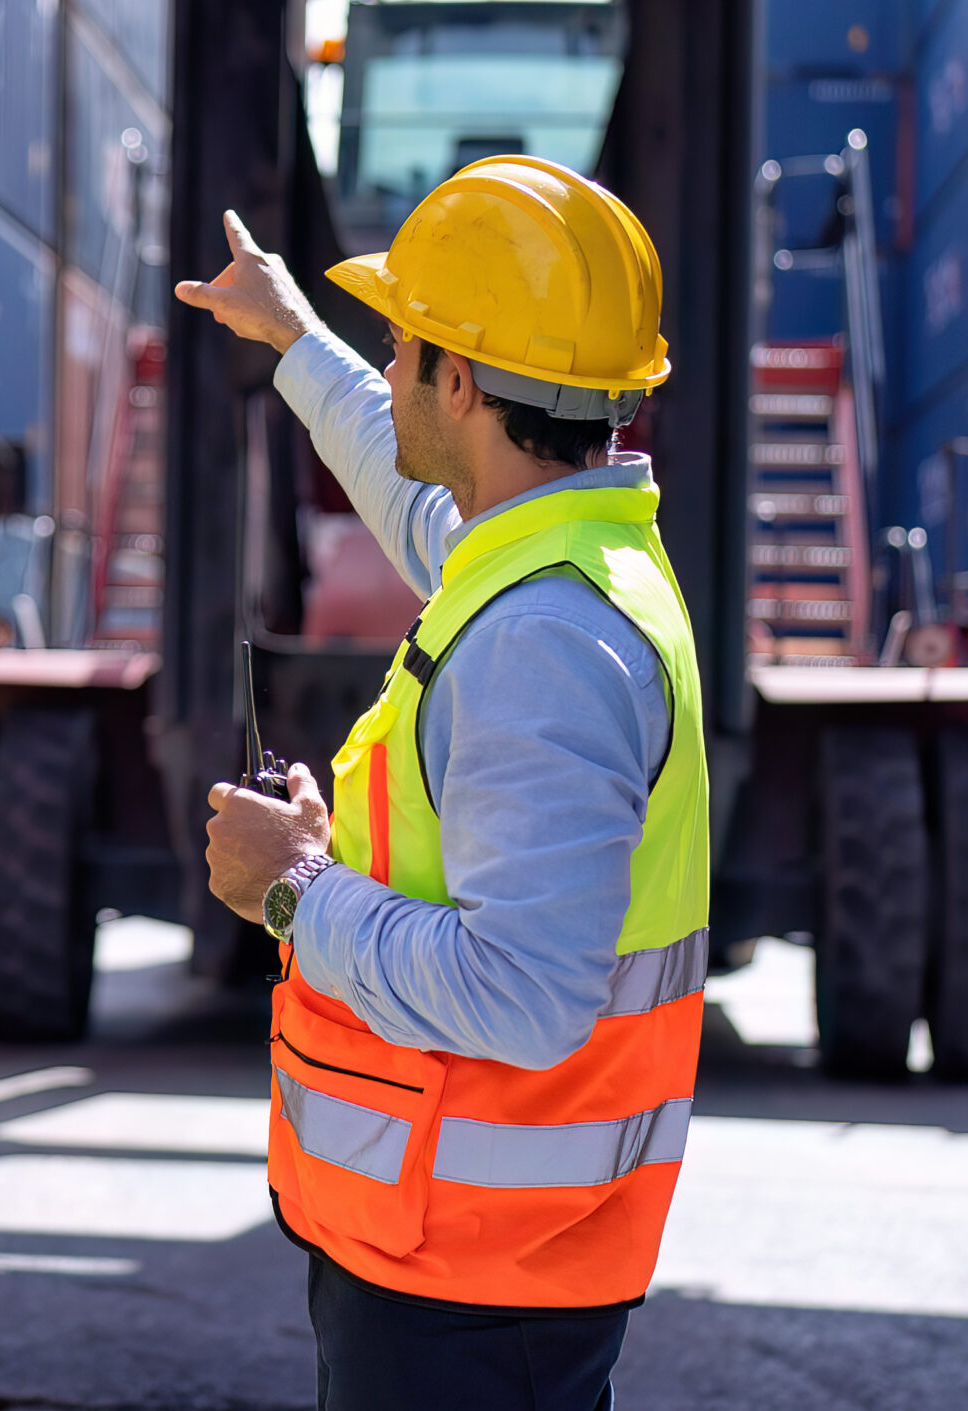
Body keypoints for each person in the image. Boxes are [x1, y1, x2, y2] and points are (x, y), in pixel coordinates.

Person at [176, 160, 710, 1411]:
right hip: (477, 1261)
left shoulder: (543, 644)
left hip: (475, 1290)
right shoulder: (555, 553)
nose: (393, 357)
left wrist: (291, 887)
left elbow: (522, 996)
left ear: (458, 382)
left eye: (402, 339)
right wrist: (294, 336)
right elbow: (400, 480)